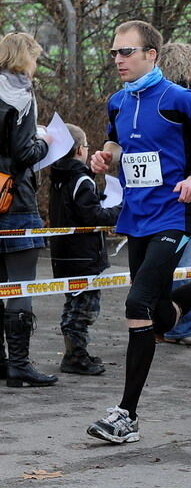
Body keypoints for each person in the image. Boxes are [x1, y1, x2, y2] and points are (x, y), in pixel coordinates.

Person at [87, 20, 191, 444]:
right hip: (136, 215)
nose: (118, 60)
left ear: (150, 55)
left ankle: (126, 415)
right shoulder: (118, 102)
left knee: (136, 303)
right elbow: (118, 146)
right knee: (158, 316)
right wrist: (105, 159)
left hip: (175, 215)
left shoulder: (179, 100)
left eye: (126, 52)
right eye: (114, 53)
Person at [0, 32, 55, 387]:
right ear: (24, 59)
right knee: (20, 286)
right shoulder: (21, 95)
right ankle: (18, 365)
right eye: (34, 59)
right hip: (15, 200)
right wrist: (44, 140)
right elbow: (24, 154)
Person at [48, 124, 122, 376]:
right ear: (80, 149)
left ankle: (76, 351)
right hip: (84, 255)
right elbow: (92, 215)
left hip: (63, 253)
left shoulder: (58, 177)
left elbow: (77, 207)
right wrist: (118, 211)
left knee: (73, 303)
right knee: (84, 307)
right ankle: (75, 355)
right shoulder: (80, 178)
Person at [157, 41, 191, 346]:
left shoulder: (151, 97)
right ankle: (181, 325)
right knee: (185, 261)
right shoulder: (188, 99)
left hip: (156, 192)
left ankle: (157, 323)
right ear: (186, 65)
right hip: (184, 189)